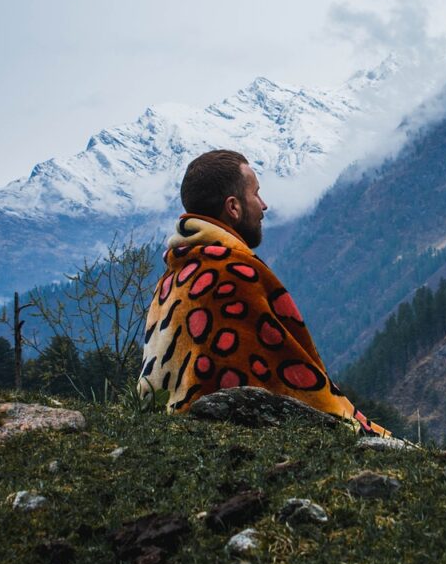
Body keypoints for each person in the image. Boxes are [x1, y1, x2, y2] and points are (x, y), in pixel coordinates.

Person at [137, 148, 389, 435]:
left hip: (164, 429)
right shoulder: (232, 272)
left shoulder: (173, 276)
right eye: (256, 193)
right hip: (211, 434)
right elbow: (288, 376)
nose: (264, 205)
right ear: (233, 207)